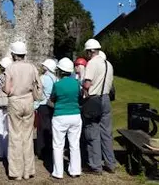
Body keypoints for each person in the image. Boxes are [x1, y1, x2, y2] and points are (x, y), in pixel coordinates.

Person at [4, 41, 41, 181]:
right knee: (27, 136)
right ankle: (28, 171)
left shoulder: (10, 68)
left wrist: (4, 89)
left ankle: (16, 172)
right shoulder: (32, 67)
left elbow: (7, 90)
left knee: (15, 137)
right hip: (29, 101)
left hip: (15, 101)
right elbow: (38, 85)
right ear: (24, 54)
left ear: (13, 54)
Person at [82, 39, 116, 175]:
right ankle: (110, 163)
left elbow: (87, 84)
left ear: (91, 51)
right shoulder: (109, 64)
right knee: (106, 133)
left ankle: (95, 166)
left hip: (94, 99)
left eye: (87, 52)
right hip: (106, 98)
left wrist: (83, 87)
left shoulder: (92, 63)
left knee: (92, 133)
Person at [50, 57, 82, 179]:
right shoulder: (77, 83)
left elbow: (52, 99)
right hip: (75, 115)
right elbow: (79, 97)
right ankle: (75, 170)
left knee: (58, 145)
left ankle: (58, 172)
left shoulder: (57, 85)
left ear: (60, 71)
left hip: (60, 116)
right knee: (74, 144)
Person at [34, 59, 58, 160]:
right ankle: (49, 148)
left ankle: (40, 150)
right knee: (50, 128)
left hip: (43, 105)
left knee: (41, 129)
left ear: (46, 68)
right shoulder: (55, 78)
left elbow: (38, 92)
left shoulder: (43, 78)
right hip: (52, 105)